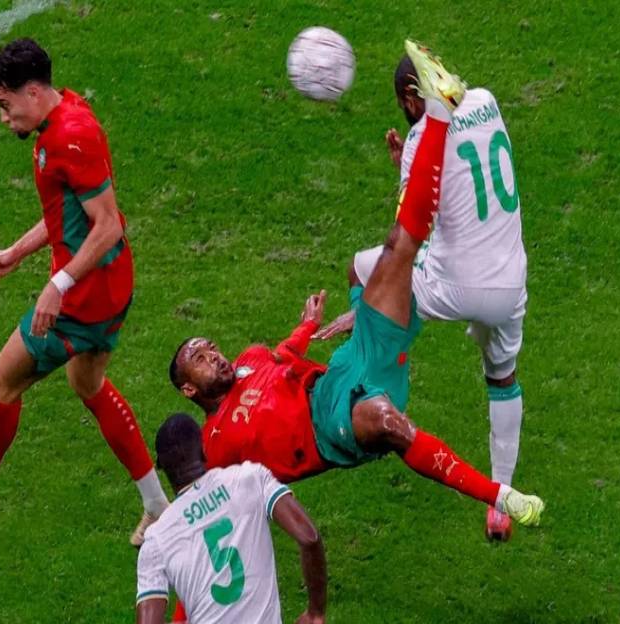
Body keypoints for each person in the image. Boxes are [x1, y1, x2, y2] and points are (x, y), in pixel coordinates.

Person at [168, 41, 544, 531]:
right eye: (201, 357)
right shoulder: (216, 444)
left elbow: (280, 358)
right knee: (396, 406)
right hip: (337, 422)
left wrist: (307, 329)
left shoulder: (251, 359)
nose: (214, 354)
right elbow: (212, 505)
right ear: (188, 389)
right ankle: (501, 496)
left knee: (394, 250)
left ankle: (438, 115)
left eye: (209, 347)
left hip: (358, 359)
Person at [0, 38, 168, 545]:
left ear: (32, 92)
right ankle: (157, 505)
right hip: (113, 285)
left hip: (83, 299)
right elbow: (71, 213)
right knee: (88, 384)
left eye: (6, 105)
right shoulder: (69, 112)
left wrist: (57, 284)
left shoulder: (69, 137)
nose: (4, 118)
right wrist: (17, 251)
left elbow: (108, 225)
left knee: (1, 381)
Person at [319, 52, 527, 541]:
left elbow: (411, 232)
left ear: (413, 98)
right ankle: (501, 502)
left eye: (403, 104)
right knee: (502, 376)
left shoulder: (419, 139)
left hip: (454, 283)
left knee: (363, 267)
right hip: (511, 280)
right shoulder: (487, 100)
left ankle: (368, 361)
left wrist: (407, 164)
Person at [135, 413, 327, 624]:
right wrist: (315, 612)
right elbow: (309, 537)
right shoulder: (251, 478)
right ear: (203, 450)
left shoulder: (156, 539)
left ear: (161, 468)